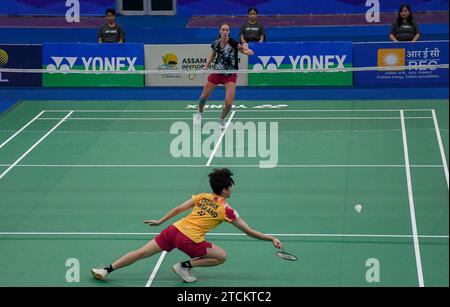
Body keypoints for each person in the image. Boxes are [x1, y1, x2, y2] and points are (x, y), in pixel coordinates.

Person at [91, 168, 282, 283]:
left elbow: (178, 208)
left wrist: (160, 221)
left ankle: (105, 270)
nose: (231, 189)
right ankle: (184, 266)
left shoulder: (202, 196)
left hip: (173, 230)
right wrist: (271, 238)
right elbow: (248, 231)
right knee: (222, 256)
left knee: (141, 252)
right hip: (189, 239)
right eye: (230, 187)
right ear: (224, 190)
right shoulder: (227, 210)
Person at [195, 23, 254, 130]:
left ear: (229, 32)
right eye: (223, 30)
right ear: (219, 31)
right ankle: (199, 112)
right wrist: (206, 66)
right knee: (203, 97)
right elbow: (213, 56)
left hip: (230, 75)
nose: (225, 32)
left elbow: (248, 52)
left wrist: (248, 50)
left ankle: (222, 119)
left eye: (227, 30)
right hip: (217, 73)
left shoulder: (234, 43)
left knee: (229, 103)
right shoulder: (216, 43)